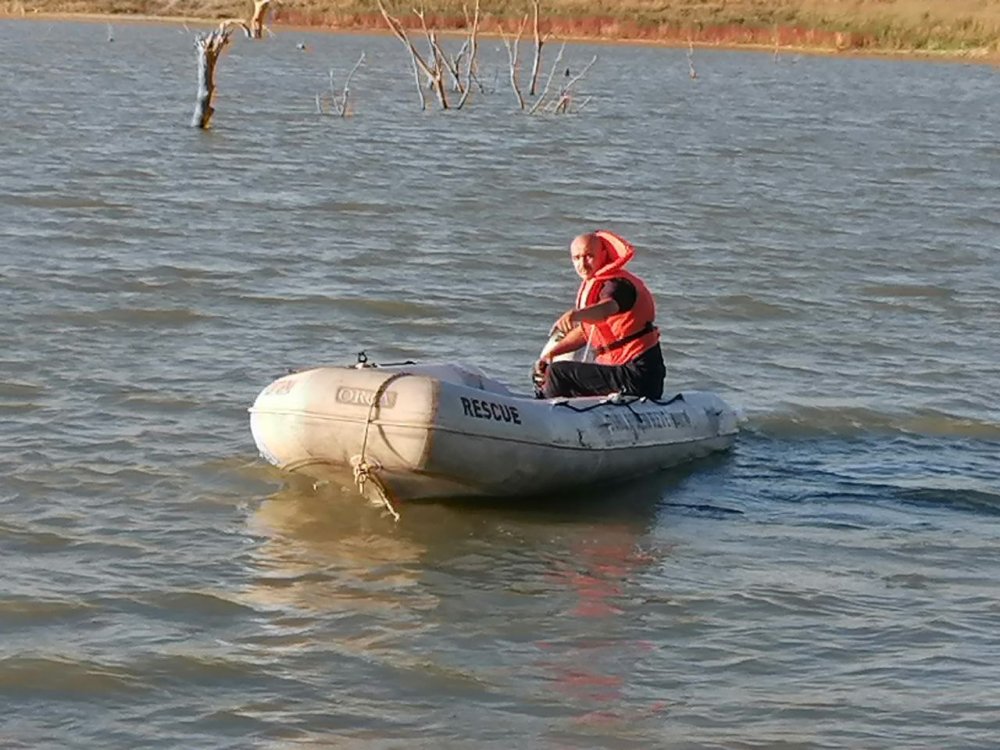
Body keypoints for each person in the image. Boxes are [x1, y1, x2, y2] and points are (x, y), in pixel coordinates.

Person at [534, 230, 665, 400]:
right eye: (577, 258)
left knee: (558, 373)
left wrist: (575, 315)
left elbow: (606, 309)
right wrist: (551, 354)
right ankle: (547, 404)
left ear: (603, 255)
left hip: (638, 375)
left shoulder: (618, 285)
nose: (582, 264)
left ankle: (545, 415)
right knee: (545, 371)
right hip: (618, 372)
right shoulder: (596, 286)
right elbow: (585, 332)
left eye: (589, 256)